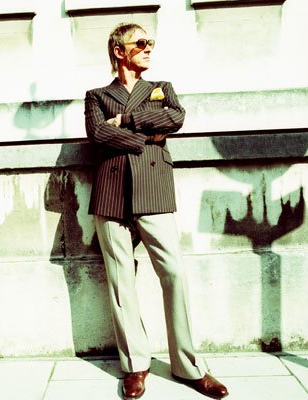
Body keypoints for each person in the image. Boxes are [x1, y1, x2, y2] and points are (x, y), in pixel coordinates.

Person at [84, 22, 229, 400]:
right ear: (119, 51)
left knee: (174, 274)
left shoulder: (161, 88)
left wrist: (127, 120)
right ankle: (135, 366)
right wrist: (145, 138)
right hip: (112, 193)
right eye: (141, 43)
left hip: (154, 190)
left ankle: (188, 367)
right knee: (121, 282)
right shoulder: (97, 95)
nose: (149, 48)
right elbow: (98, 134)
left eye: (151, 42)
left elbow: (176, 118)